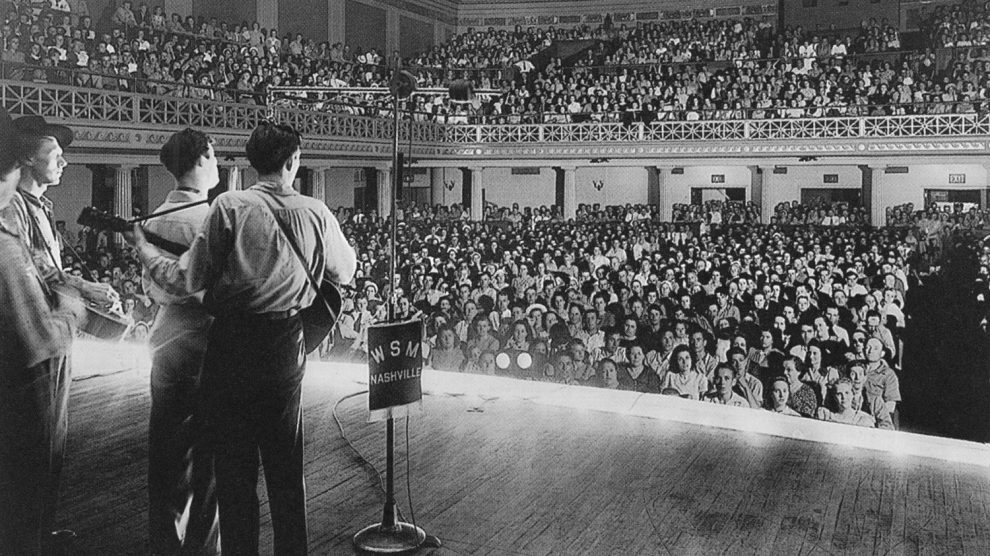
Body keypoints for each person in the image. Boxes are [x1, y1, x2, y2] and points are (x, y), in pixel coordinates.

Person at [129, 121, 357, 554]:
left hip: (231, 346)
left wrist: (144, 250)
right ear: (293, 162)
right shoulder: (316, 211)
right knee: (286, 469)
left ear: (252, 162)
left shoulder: (228, 206)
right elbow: (344, 273)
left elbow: (185, 279)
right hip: (285, 347)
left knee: (234, 472)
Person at [0, 106, 87, 555]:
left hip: (47, 335)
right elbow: (33, 278)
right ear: (23, 162)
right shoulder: (10, 213)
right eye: (54, 154)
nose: (64, 162)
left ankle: (41, 527)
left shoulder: (39, 206)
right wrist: (74, 308)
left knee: (53, 441)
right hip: (35, 343)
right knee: (31, 453)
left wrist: (82, 285)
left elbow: (50, 270)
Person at [143, 129, 220, 555]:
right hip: (205, 344)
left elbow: (150, 281)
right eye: (214, 155)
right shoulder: (209, 220)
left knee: (166, 460)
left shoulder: (153, 219)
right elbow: (214, 286)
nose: (218, 163)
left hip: (164, 341)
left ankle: (165, 547)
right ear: (203, 159)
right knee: (207, 464)